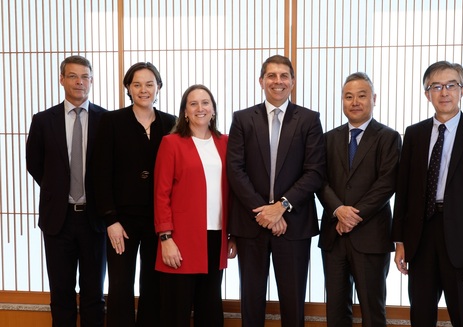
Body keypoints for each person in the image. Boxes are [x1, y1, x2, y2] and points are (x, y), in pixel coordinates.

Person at [391, 61, 463, 326]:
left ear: (462, 90)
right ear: (426, 93)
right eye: (436, 86)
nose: (444, 92)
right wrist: (400, 241)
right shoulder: (414, 134)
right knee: (420, 315)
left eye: (451, 85)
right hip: (420, 236)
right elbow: (403, 191)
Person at [227, 54, 326, 327]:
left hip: (293, 224)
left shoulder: (308, 120)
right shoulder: (243, 119)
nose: (278, 81)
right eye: (271, 76)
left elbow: (315, 171)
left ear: (292, 82)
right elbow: (235, 170)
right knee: (251, 299)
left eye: (284, 76)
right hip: (251, 223)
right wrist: (263, 211)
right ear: (261, 81)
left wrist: (281, 206)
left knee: (293, 302)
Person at [92, 62, 176, 326]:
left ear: (159, 87)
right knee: (120, 285)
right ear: (128, 88)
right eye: (137, 84)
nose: (143, 90)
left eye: (150, 84)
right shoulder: (112, 121)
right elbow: (100, 173)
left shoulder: (171, 122)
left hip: (157, 219)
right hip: (122, 220)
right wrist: (110, 220)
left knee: (155, 284)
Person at [26, 55, 107, 326]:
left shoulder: (106, 120)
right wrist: (58, 191)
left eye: (85, 76)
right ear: (61, 79)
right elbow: (34, 164)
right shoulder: (43, 120)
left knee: (94, 292)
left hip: (94, 219)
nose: (79, 82)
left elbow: (112, 169)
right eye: (72, 76)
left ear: (92, 81)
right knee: (61, 291)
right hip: (57, 219)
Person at [317, 72, 402, 327]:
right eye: (348, 96)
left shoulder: (388, 137)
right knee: (336, 310)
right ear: (342, 101)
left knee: (372, 310)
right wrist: (338, 210)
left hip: (371, 236)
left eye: (362, 96)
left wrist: (353, 215)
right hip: (334, 236)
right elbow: (319, 180)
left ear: (374, 99)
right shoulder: (329, 138)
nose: (355, 102)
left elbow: (386, 183)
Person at [154, 84, 237, 326]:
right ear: (185, 112)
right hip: (181, 238)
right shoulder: (172, 143)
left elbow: (234, 193)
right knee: (176, 309)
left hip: (216, 236)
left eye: (205, 103)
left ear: (213, 109)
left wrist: (233, 235)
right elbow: (161, 193)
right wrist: (165, 238)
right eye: (193, 104)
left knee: (209, 307)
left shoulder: (226, 143)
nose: (200, 108)